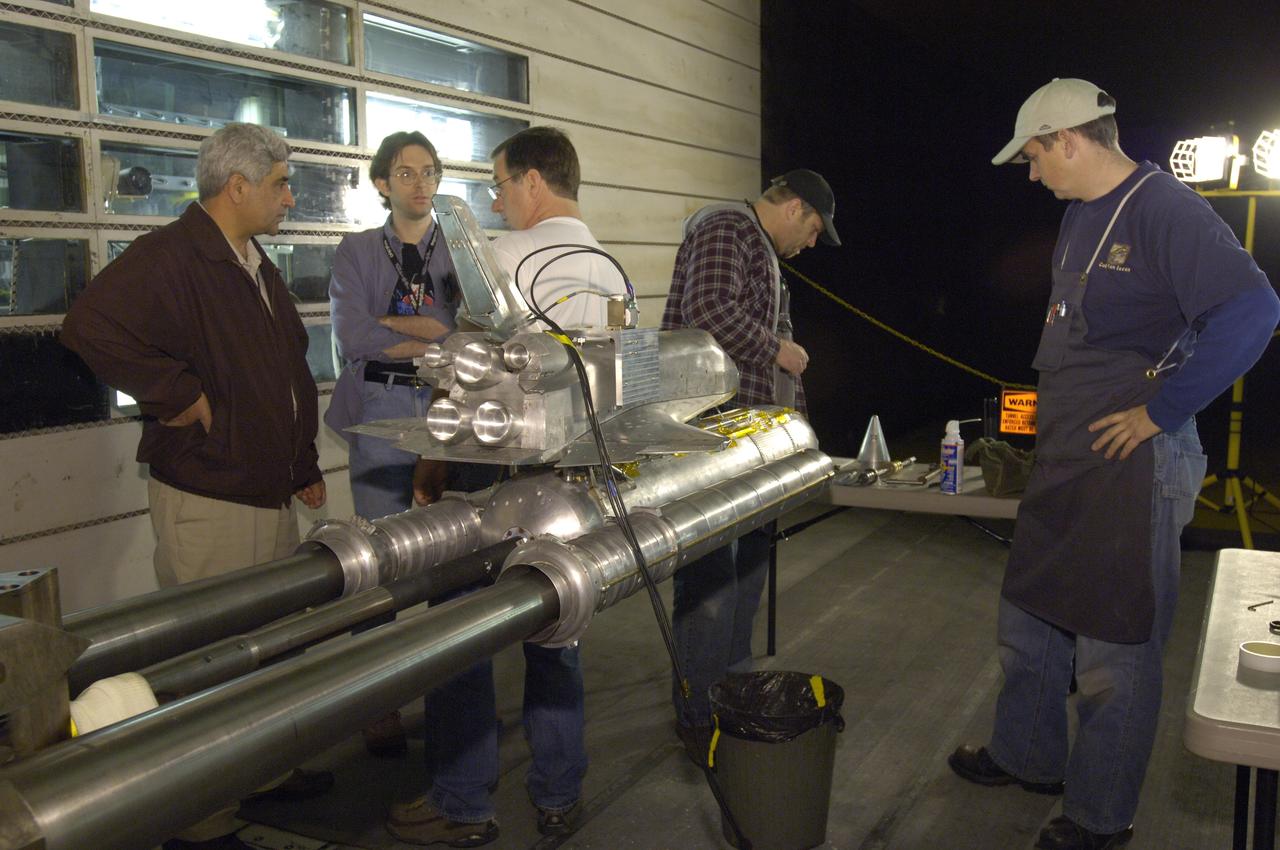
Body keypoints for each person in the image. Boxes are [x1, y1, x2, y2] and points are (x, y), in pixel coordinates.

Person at [948, 78, 1280, 850]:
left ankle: (1100, 816)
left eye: (1034, 157)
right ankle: (1027, 755)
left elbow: (1255, 311)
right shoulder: (1078, 216)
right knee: (1029, 616)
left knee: (1114, 646)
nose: (1032, 174)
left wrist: (1163, 411)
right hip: (1070, 458)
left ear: (1068, 137)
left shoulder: (1167, 209)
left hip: (1135, 462)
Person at [61, 122, 331, 850]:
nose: (288, 195)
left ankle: (262, 776)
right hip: (211, 496)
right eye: (279, 182)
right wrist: (172, 391)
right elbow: (90, 326)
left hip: (262, 489)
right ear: (237, 185)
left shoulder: (247, 257)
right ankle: (204, 819)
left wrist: (300, 463)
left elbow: (278, 367)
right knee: (212, 663)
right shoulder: (175, 255)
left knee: (266, 648)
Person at [388, 127, 625, 847]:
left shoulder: (503, 257)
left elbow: (465, 382)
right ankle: (558, 794)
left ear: (531, 182)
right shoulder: (610, 270)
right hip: (572, 482)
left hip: (491, 479)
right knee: (557, 627)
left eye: (499, 184)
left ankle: (464, 803)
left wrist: (430, 463)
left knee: (462, 636)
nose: (495, 199)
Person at [658, 169, 840, 756]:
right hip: (716, 440)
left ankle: (732, 701)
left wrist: (796, 437)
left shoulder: (758, 248)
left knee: (746, 573)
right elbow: (707, 307)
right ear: (792, 207)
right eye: (813, 230)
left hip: (756, 445)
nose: (812, 244)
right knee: (711, 579)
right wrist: (778, 348)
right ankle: (700, 713)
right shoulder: (727, 228)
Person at [325, 131, 459, 757]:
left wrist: (398, 327)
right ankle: (378, 703)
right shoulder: (355, 252)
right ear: (381, 184)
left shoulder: (459, 249)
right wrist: (430, 332)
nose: (420, 184)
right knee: (377, 559)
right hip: (379, 401)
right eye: (404, 174)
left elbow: (472, 331)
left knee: (448, 555)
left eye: (428, 172)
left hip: (449, 406)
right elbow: (353, 337)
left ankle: (448, 694)